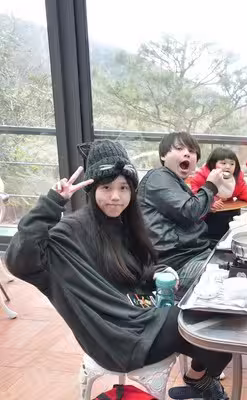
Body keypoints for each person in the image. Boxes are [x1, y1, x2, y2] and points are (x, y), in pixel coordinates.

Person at [5, 140, 231, 400]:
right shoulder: (72, 231)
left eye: (124, 188)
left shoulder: (123, 223)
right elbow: (19, 261)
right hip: (116, 338)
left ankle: (199, 379)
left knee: (215, 316)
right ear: (92, 189)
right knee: (208, 324)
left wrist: (158, 271)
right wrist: (52, 204)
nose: (116, 196)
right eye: (106, 187)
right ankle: (202, 382)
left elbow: (138, 268)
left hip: (140, 315)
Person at [137, 132, 224, 296]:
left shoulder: (175, 182)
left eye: (192, 151)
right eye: (179, 148)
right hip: (176, 265)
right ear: (163, 155)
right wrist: (211, 186)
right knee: (228, 278)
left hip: (194, 255)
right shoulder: (158, 176)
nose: (187, 154)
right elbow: (190, 210)